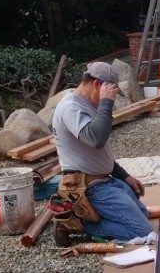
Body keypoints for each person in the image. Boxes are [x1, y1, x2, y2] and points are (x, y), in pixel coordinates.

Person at [51, 61, 152, 245]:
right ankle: (75, 225)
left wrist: (124, 176)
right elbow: (96, 140)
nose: (111, 101)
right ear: (97, 84)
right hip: (91, 187)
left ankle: (94, 219)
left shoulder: (87, 103)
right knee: (142, 232)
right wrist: (106, 102)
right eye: (110, 93)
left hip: (105, 180)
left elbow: (98, 153)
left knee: (143, 214)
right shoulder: (71, 108)